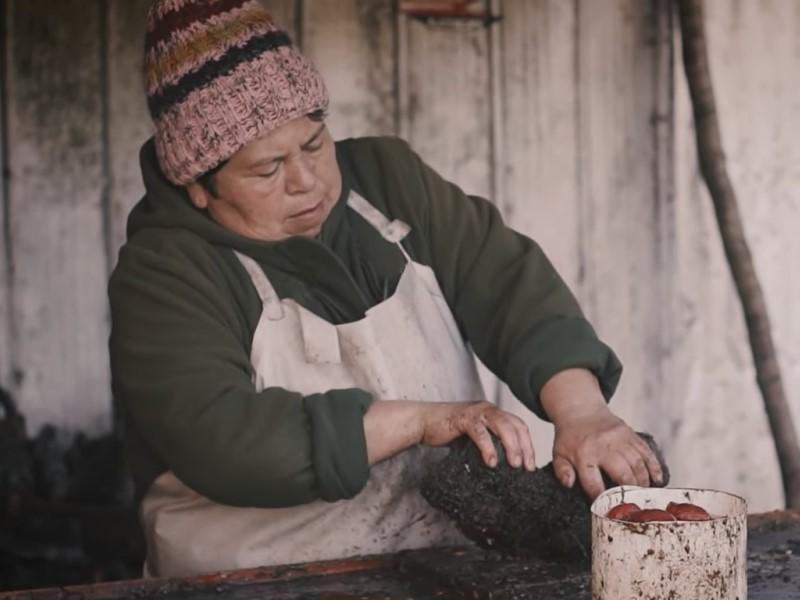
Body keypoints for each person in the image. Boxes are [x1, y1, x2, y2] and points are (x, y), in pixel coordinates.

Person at [109, 0, 663, 578]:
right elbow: (224, 440)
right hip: (246, 580)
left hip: (438, 569)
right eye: (267, 170)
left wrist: (582, 412)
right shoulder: (163, 275)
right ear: (198, 186)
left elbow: (508, 285)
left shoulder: (387, 181)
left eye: (314, 143)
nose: (307, 182)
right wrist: (418, 422)